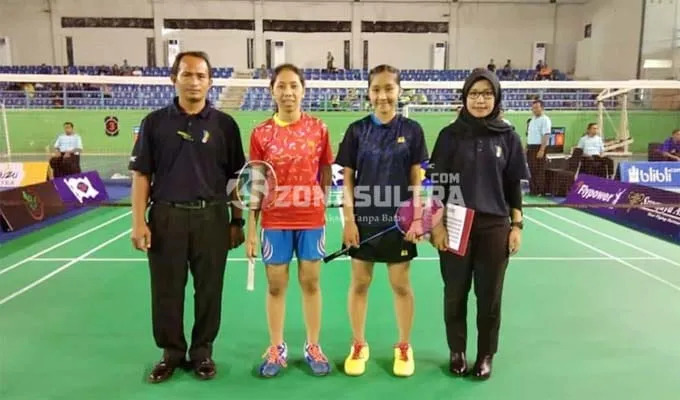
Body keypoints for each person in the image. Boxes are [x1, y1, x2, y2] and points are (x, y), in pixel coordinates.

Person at [128, 51, 246, 383]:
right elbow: (141, 174)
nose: (194, 81)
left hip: (212, 218)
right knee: (166, 290)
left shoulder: (225, 125)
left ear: (210, 82)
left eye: (201, 76)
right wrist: (138, 221)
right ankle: (172, 353)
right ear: (174, 79)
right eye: (187, 74)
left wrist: (237, 221)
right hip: (167, 218)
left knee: (209, 290)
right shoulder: (154, 123)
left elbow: (235, 179)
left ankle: (202, 352)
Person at [427, 68, 529, 380]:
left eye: (487, 94)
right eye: (474, 94)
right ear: (465, 97)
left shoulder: (508, 137)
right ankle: (457, 352)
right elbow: (439, 185)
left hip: (494, 227)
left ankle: (486, 354)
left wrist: (517, 225)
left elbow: (513, 186)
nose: (480, 100)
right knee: (454, 293)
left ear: (496, 97)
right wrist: (436, 225)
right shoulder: (449, 136)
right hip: (455, 225)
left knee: (489, 297)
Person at [335, 64, 428, 378]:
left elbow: (416, 179)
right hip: (364, 220)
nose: (383, 95)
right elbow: (347, 181)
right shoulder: (356, 131)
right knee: (360, 283)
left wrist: (417, 217)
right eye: (376, 89)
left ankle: (403, 345)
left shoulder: (412, 130)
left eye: (389, 88)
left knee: (401, 285)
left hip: (399, 223)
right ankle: (358, 344)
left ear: (399, 91)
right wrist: (349, 220)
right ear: (368, 92)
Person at [244, 63, 334, 378]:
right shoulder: (261, 133)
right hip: (274, 220)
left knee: (311, 282)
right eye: (281, 86)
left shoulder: (319, 128)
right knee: (276, 285)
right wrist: (251, 229)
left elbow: (325, 171)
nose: (288, 92)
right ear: (272, 91)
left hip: (310, 218)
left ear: (303, 90)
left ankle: (313, 345)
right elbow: (256, 183)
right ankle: (276, 347)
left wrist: (319, 203)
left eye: (294, 85)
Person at [526, 99, 551, 195]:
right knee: (531, 169)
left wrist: (542, 149)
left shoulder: (545, 120)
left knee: (539, 170)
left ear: (542, 108)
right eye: (533, 108)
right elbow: (530, 135)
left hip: (539, 147)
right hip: (531, 147)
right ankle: (533, 190)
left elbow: (546, 135)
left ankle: (540, 190)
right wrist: (527, 147)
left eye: (536, 108)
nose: (534, 110)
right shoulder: (532, 120)